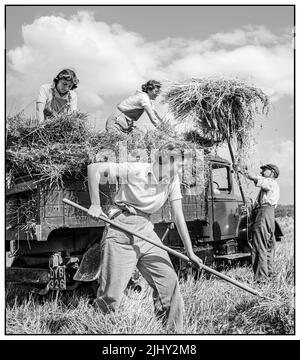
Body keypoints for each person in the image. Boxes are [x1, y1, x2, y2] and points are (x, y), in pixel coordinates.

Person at [87, 141, 203, 332]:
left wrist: (190, 251)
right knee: (111, 295)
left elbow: (178, 215)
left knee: (169, 282)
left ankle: (175, 335)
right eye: (180, 165)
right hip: (121, 227)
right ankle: (99, 331)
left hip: (146, 230)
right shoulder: (137, 169)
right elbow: (94, 169)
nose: (182, 170)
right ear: (167, 160)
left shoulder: (172, 181)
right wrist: (95, 204)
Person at [241, 163, 280, 283]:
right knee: (268, 246)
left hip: (264, 213)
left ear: (272, 172)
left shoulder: (270, 182)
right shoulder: (270, 186)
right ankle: (269, 275)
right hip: (268, 214)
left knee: (259, 246)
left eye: (265, 170)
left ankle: (261, 279)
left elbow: (255, 178)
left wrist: (243, 172)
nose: (262, 171)